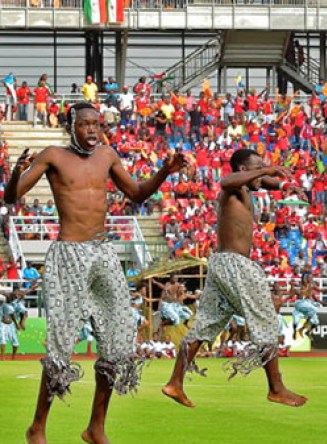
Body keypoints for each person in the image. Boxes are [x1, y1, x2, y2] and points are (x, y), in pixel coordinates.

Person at [4, 102, 185, 444]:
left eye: (96, 124)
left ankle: (95, 427)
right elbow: (12, 196)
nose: (91, 130)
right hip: (68, 254)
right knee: (61, 344)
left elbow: (136, 193)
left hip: (104, 253)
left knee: (117, 342)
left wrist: (164, 171)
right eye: (84, 124)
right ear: (70, 126)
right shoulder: (52, 155)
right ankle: (37, 428)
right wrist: (16, 172)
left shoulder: (107, 155)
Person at [162, 149, 307, 409]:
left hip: (222, 265)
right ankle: (276, 388)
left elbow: (266, 182)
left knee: (204, 325)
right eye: (255, 167)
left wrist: (286, 184)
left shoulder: (246, 188)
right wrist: (265, 170)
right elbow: (227, 180)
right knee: (265, 320)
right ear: (242, 169)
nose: (261, 172)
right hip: (236, 264)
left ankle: (175, 382)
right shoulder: (232, 188)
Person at [292, 274, 321, 340]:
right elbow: (302, 280)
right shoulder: (304, 285)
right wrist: (304, 274)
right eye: (309, 277)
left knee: (316, 323)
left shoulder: (311, 287)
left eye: (311, 278)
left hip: (308, 305)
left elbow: (316, 295)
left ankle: (306, 331)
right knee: (296, 321)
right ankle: (294, 332)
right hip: (302, 306)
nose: (310, 279)